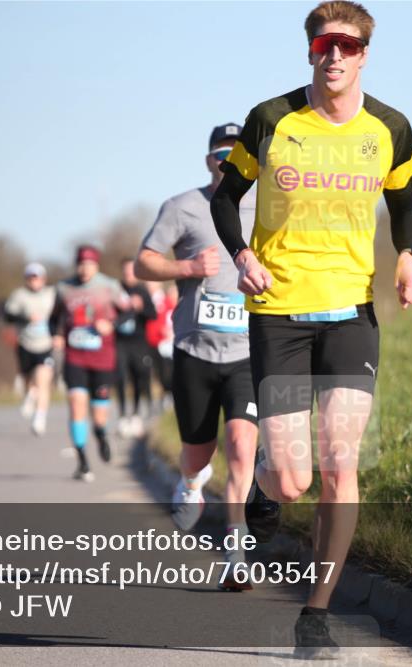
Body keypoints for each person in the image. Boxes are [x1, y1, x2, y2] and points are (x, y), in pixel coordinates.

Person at [211, 1, 412, 656]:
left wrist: (410, 260)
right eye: (323, 44)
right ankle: (262, 484)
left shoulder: (390, 128)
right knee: (292, 481)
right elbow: (226, 197)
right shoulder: (271, 120)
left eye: (347, 44)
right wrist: (243, 256)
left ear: (365, 53)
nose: (334, 55)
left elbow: (405, 206)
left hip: (351, 315)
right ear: (310, 51)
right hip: (278, 314)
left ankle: (317, 611)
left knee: (340, 463)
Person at [135, 122, 260, 591]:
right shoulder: (182, 206)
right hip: (194, 351)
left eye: (236, 153)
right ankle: (190, 481)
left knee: (243, 448)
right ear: (208, 159)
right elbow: (142, 262)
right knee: (197, 451)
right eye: (219, 153)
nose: (227, 161)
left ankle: (236, 552)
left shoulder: (266, 206)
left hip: (247, 352)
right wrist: (186, 267)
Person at [49, 245, 132, 481]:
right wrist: (55, 335)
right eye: (81, 264)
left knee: (99, 416)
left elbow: (129, 312)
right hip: (75, 357)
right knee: (76, 405)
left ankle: (102, 434)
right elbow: (53, 318)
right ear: (76, 264)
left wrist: (111, 325)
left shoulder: (109, 286)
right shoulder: (64, 288)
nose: (84, 269)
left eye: (89, 264)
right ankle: (83, 462)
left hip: (103, 358)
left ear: (96, 265)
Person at [3, 262, 56, 436]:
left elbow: (60, 315)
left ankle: (40, 418)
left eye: (37, 277)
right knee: (29, 381)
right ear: (26, 279)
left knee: (43, 380)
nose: (34, 280)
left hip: (45, 344)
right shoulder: (19, 295)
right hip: (26, 344)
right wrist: (26, 317)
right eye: (31, 277)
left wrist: (59, 334)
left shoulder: (51, 295)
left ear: (43, 278)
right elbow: (8, 315)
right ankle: (30, 394)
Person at [114, 258, 157, 438]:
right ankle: (123, 415)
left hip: (139, 342)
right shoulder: (115, 289)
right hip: (119, 341)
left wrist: (140, 307)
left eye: (132, 271)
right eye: (125, 272)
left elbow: (153, 314)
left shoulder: (142, 290)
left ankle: (136, 414)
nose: (128, 275)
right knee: (120, 376)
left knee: (139, 376)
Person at [144, 280, 176, 412]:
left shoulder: (165, 300)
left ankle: (169, 395)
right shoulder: (145, 299)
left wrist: (169, 331)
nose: (149, 285)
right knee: (153, 373)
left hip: (163, 344)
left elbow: (171, 316)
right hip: (148, 342)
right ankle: (152, 401)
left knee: (165, 372)